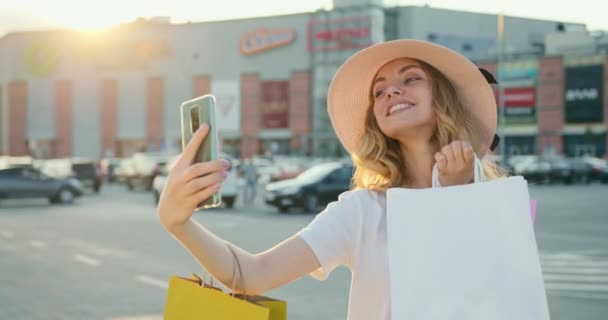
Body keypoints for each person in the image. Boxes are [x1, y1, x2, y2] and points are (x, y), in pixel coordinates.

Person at [157, 39, 508, 320]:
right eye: (379, 91)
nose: (391, 92)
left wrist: (459, 197)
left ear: (442, 97)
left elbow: (492, 288)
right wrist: (177, 223)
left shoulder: (493, 198)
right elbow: (250, 274)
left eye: (411, 78)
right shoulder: (362, 210)